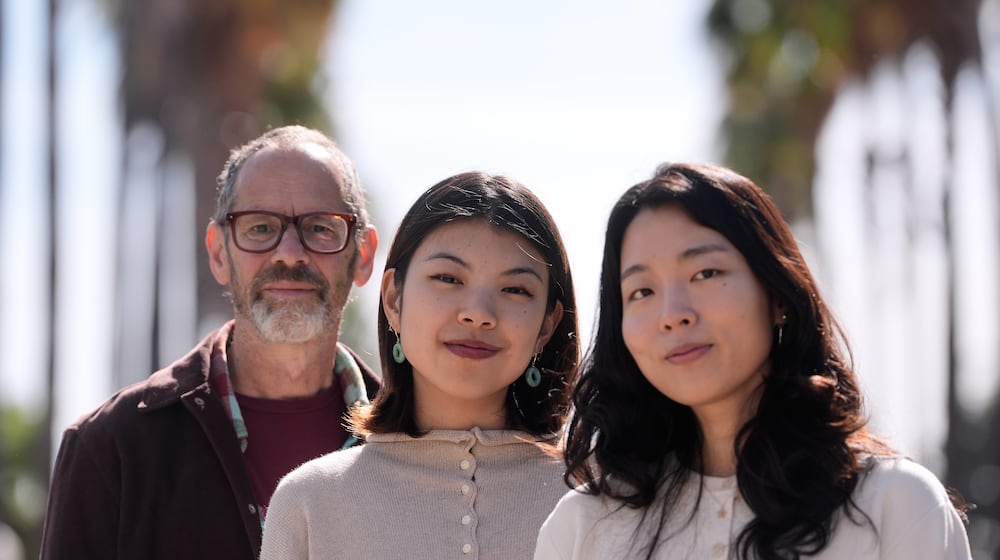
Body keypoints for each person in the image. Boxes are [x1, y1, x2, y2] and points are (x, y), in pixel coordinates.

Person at [535, 163, 972, 559]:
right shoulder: (582, 529)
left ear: (778, 294)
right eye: (642, 292)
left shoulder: (894, 504)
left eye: (706, 273)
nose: (673, 314)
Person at [39, 125, 381, 560]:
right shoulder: (111, 450)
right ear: (219, 253)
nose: (290, 253)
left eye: (320, 228)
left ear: (363, 255)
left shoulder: (419, 441)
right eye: (260, 228)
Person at [260, 171, 580, 559]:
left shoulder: (598, 498)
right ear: (394, 299)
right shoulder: (309, 503)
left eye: (515, 289)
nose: (478, 314)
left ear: (547, 324)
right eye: (447, 278)